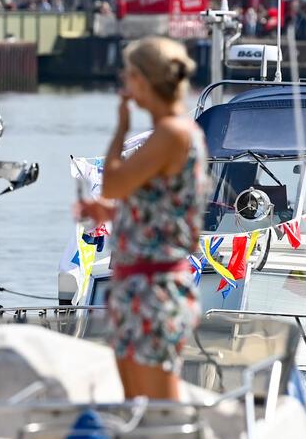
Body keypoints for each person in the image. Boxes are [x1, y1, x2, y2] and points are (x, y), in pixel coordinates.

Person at [75, 37, 208, 400]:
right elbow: (158, 209)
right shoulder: (173, 133)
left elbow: (114, 182)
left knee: (158, 405)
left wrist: (120, 128)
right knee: (137, 404)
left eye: (129, 74)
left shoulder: (171, 133)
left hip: (154, 288)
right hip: (140, 286)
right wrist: (113, 213)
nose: (123, 81)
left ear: (144, 81)